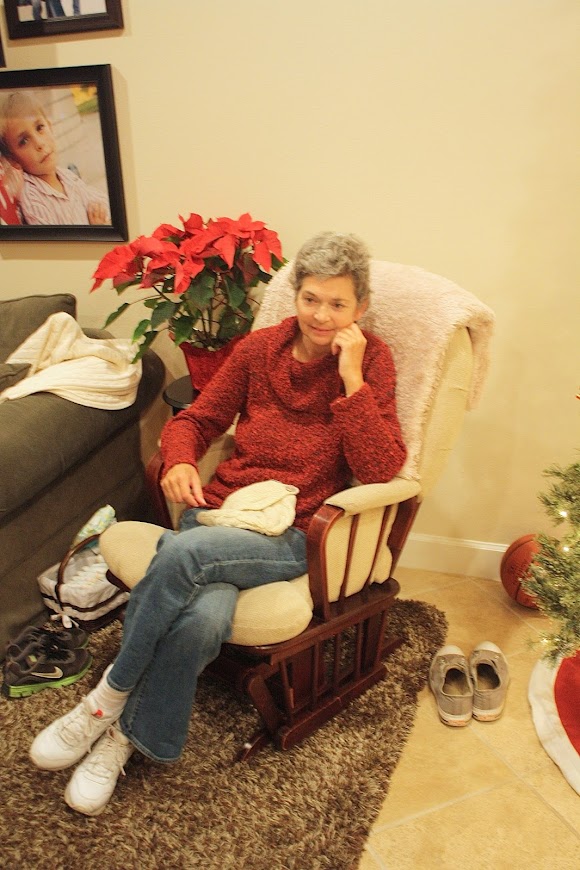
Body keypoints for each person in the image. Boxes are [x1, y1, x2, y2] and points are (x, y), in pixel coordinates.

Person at [29, 231, 408, 816]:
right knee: (203, 618)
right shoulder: (259, 351)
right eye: (310, 298)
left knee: (182, 554)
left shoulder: (372, 361)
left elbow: (381, 467)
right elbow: (197, 419)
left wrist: (353, 380)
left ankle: (107, 697)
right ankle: (127, 738)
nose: (321, 315)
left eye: (338, 303)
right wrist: (181, 459)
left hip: (293, 532)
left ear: (361, 307)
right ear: (295, 295)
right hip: (222, 511)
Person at [0, 90, 110, 226]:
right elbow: (60, 240)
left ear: (50, 127)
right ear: (13, 159)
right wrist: (96, 229)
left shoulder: (66, 176)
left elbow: (101, 203)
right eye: (24, 141)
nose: (39, 143)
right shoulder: (34, 201)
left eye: (39, 127)